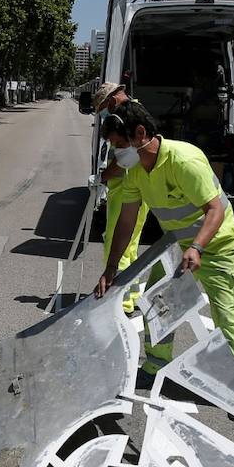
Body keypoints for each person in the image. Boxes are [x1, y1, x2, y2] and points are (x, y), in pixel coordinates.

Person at [94, 100, 234, 392]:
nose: (117, 156)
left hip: (217, 245)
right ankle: (155, 365)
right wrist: (111, 266)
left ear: (140, 133)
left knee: (227, 314)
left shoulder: (184, 161)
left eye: (119, 146)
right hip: (176, 247)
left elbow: (215, 210)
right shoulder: (135, 172)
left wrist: (197, 247)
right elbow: (126, 221)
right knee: (158, 304)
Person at [91, 81, 149, 315]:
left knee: (118, 243)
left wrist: (103, 176)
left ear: (112, 101)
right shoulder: (136, 111)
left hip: (127, 190)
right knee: (131, 245)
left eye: (104, 107)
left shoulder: (128, 118)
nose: (104, 113)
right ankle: (130, 295)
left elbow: (124, 157)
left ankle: (120, 301)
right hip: (132, 188)